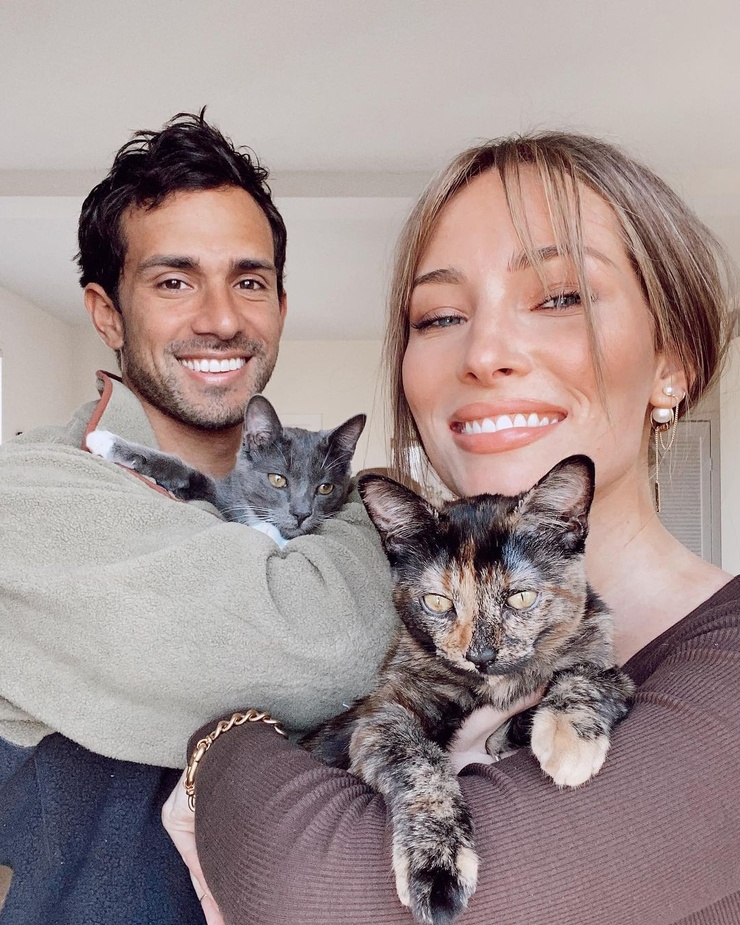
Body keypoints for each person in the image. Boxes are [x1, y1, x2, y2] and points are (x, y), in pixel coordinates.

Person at [166, 131, 740, 925]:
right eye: (439, 315)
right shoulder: (376, 596)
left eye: (560, 296)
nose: (485, 351)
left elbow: (317, 893)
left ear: (672, 360)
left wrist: (218, 745)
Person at [0, 111, 398, 925]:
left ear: (280, 305)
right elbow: (330, 645)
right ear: (106, 312)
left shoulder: (324, 490)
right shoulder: (29, 490)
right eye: (174, 282)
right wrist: (364, 523)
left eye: (248, 281)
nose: (220, 318)